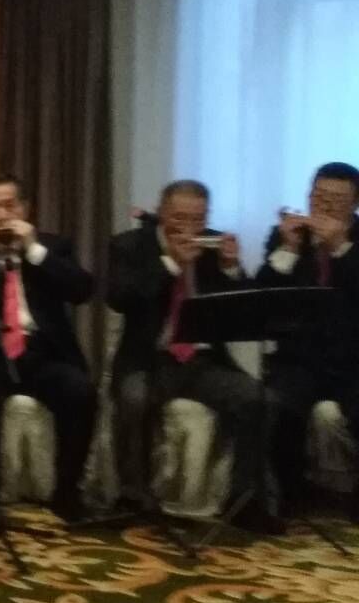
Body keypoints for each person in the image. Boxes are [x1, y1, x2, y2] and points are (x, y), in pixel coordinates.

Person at [108, 179, 280, 533]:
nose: (189, 227)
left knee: (258, 398)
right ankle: (133, 496)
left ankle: (243, 500)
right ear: (161, 212)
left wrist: (231, 268)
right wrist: (171, 263)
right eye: (179, 217)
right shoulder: (130, 245)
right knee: (133, 398)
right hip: (149, 359)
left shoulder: (213, 245)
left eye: (198, 219)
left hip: (203, 362)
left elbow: (244, 313)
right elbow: (120, 298)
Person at [0, 172, 97, 525]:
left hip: (43, 353)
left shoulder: (53, 246)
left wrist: (34, 251)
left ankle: (67, 491)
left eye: (9, 206)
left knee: (80, 390)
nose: (1, 215)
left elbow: (82, 290)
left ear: (25, 209)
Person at [258, 161, 359, 519]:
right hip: (300, 356)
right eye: (318, 196)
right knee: (279, 402)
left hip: (352, 359)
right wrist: (287, 248)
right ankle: (286, 495)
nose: (325, 205)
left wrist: (340, 247)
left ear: (354, 204)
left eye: (336, 199)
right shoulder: (287, 235)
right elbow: (263, 294)